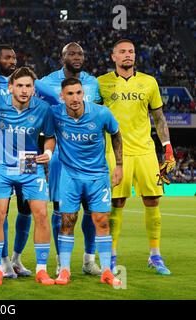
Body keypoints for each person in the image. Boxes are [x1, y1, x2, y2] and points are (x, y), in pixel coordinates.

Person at [98, 39, 175, 275]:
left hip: (145, 151)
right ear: (113, 57)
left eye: (131, 51)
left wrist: (168, 146)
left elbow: (159, 118)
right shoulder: (102, 83)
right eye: (122, 52)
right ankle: (111, 257)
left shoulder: (149, 82)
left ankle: (155, 255)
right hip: (115, 152)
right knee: (116, 204)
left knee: (152, 201)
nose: (127, 55)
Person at [0, 67, 56, 286]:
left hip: (30, 162)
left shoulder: (43, 108)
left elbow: (50, 136)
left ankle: (41, 269)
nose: (24, 90)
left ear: (34, 89)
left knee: (41, 213)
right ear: (11, 87)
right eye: (20, 85)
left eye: (28, 86)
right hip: (1, 164)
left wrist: (48, 153)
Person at [35, 42, 102, 276]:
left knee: (91, 211)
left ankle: (88, 260)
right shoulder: (45, 82)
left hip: (90, 159)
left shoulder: (93, 83)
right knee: (61, 212)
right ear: (61, 56)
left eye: (80, 53)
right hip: (61, 160)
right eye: (71, 53)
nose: (77, 57)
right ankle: (60, 260)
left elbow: (98, 115)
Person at [51, 78, 123, 286]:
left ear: (83, 93)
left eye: (78, 93)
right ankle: (64, 270)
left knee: (101, 220)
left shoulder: (101, 113)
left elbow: (116, 134)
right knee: (67, 221)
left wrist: (119, 165)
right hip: (70, 176)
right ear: (62, 96)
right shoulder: (55, 113)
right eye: (70, 94)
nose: (75, 98)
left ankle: (107, 271)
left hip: (98, 176)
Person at [0, 45, 33, 278]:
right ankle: (2, 261)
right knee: (1, 210)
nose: (12, 60)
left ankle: (16, 259)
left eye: (14, 56)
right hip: (0, 151)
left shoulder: (25, 80)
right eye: (7, 57)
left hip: (28, 151)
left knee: (27, 208)